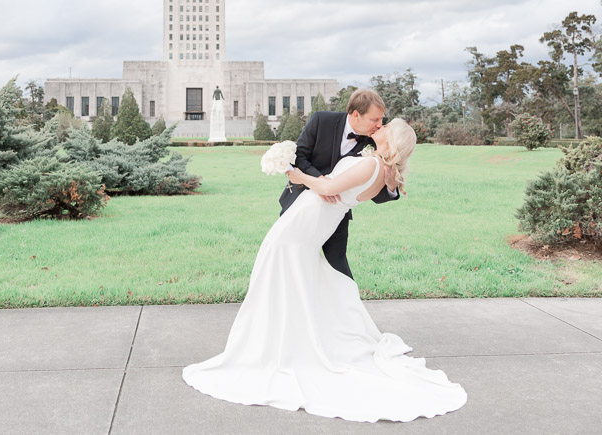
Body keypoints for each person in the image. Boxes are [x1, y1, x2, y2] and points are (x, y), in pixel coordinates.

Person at [183, 118, 467, 422]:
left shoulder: (371, 166)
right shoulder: (382, 171)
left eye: (386, 127)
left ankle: (267, 347)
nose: (379, 127)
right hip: (313, 224)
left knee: (274, 274)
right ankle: (280, 338)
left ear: (390, 140)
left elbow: (328, 186)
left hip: (304, 223)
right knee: (288, 280)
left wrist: (295, 173)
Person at [278, 89, 399, 279]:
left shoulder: (376, 142)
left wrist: (391, 186)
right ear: (357, 115)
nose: (379, 125)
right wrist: (321, 183)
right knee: (290, 261)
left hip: (336, 212)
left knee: (337, 264)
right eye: (374, 120)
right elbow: (299, 156)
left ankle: (349, 307)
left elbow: (375, 190)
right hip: (301, 204)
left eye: (381, 120)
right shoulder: (321, 120)